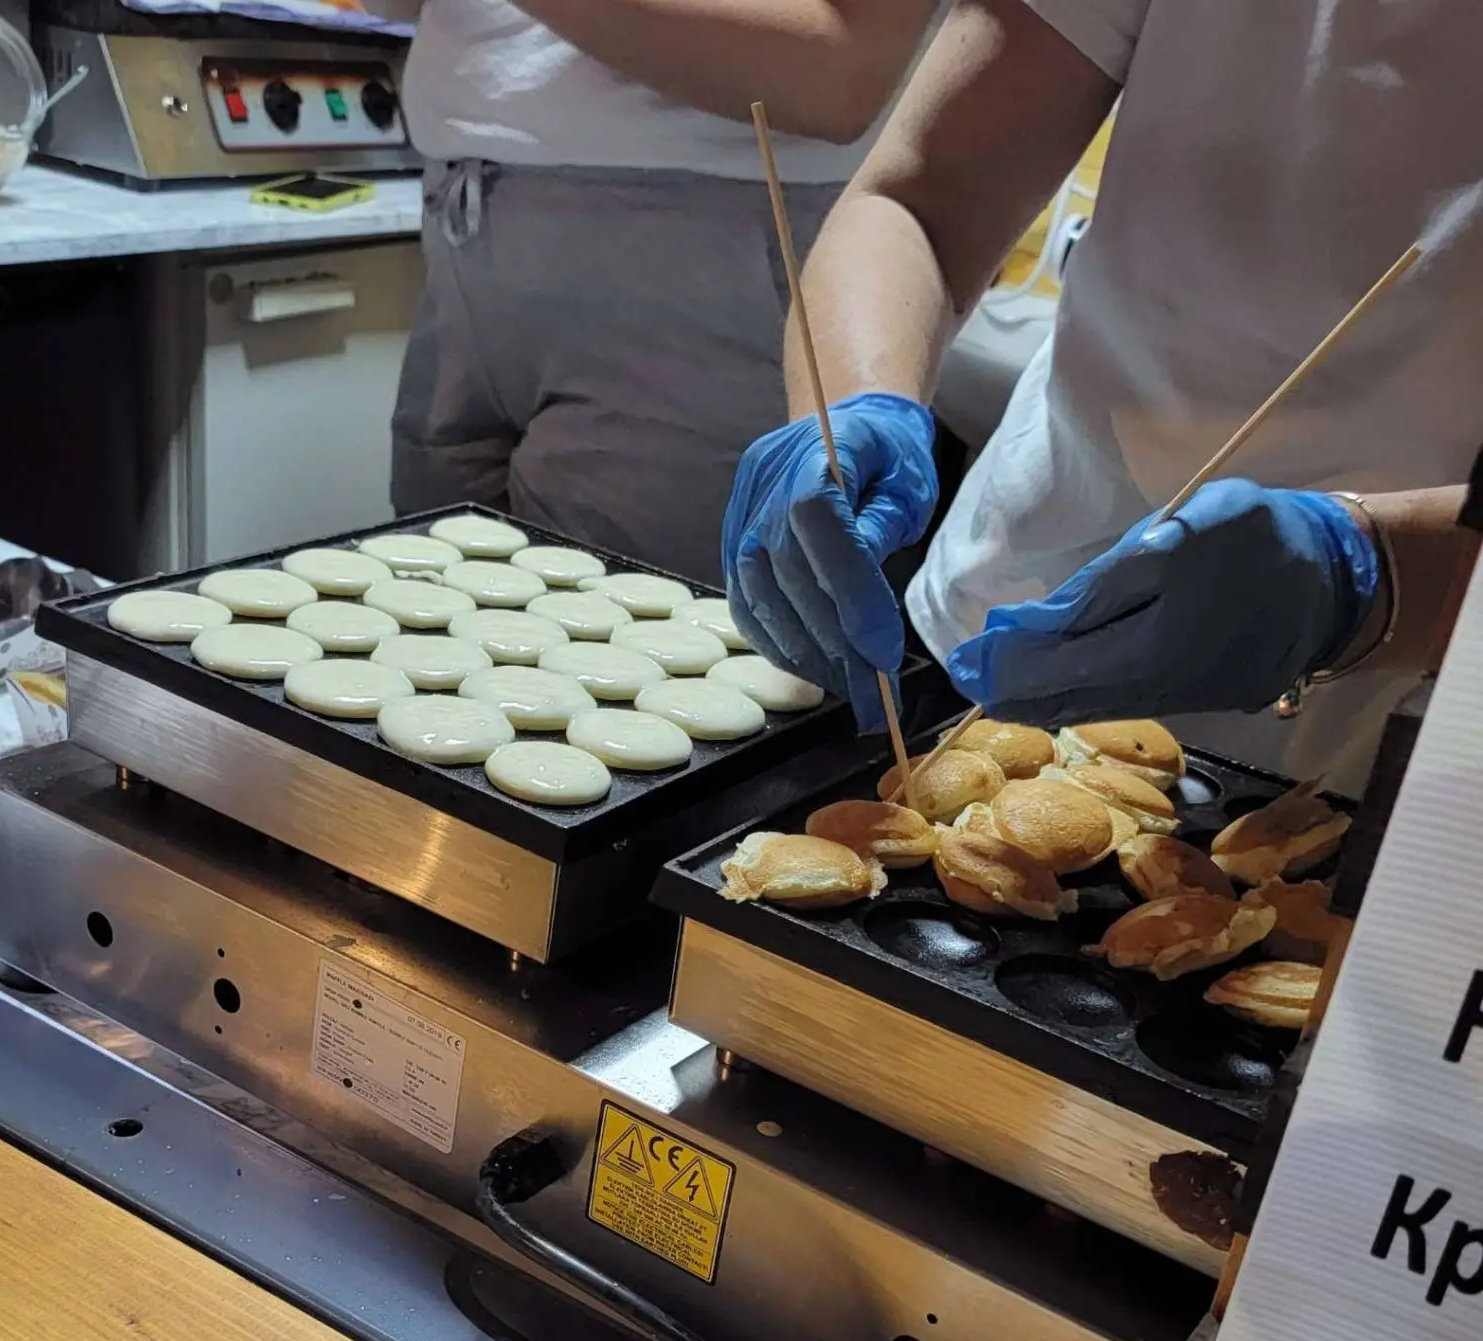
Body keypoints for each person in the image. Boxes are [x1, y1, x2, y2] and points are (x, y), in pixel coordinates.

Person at [722, 0, 1483, 787]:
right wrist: (854, 405)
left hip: (1397, 759)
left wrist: (1368, 576)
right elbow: (921, 197)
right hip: (1009, 627)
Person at [392, 0, 944, 585]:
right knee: (424, 596)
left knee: (637, 634)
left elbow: (839, 69)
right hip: (460, 215)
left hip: (701, 243)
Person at [947, 476, 1483, 727]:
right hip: (1009, 557)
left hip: (1374, 673)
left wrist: (1349, 563)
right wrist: (882, 400)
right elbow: (935, 246)